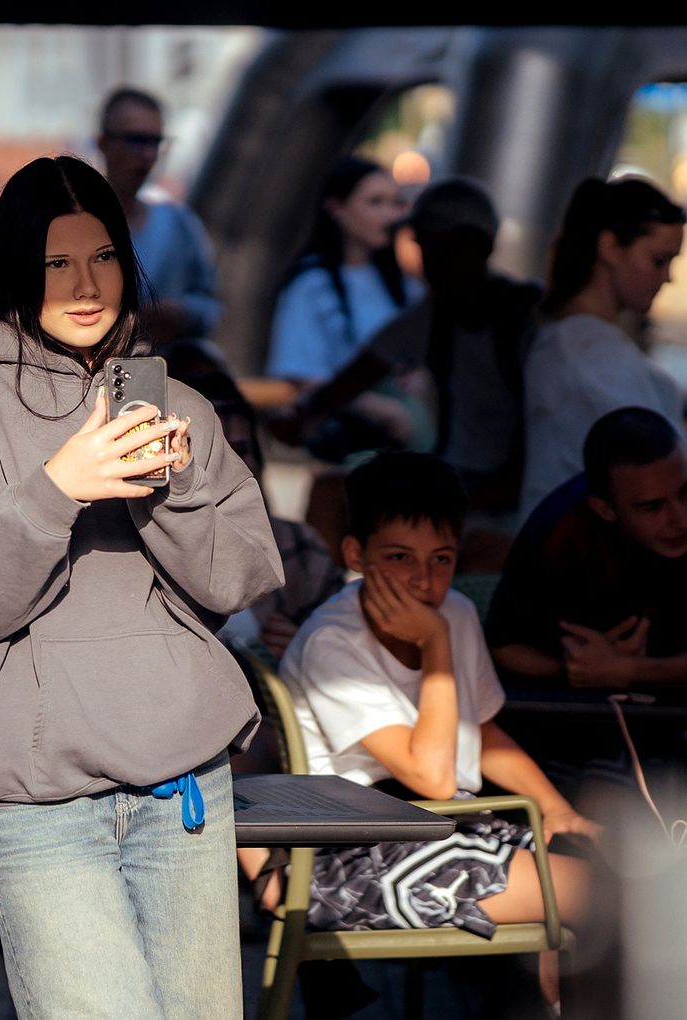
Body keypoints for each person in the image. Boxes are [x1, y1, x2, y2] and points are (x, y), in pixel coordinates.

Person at [0, 154, 284, 1019]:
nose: (86, 285)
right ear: (14, 270)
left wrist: (172, 493)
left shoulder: (180, 405)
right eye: (57, 262)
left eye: (104, 256)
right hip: (36, 800)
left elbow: (238, 579)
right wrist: (57, 488)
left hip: (179, 778)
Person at [241, 451, 592, 1009]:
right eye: (399, 557)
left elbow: (482, 733)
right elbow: (431, 778)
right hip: (352, 855)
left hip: (451, 826)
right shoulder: (336, 642)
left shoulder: (454, 613)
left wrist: (556, 809)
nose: (424, 581)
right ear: (355, 554)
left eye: (441, 559)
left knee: (609, 864)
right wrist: (435, 645)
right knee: (604, 897)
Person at [279, 177, 540, 520]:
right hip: (456, 477)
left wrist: (469, 505)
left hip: (518, 497)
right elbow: (353, 378)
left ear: (482, 245)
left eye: (443, 248)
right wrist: (303, 417)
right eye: (426, 247)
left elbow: (541, 437)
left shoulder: (530, 320)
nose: (431, 263)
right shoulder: (432, 316)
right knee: (331, 492)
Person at [519, 176, 686, 518]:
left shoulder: (573, 343)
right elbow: (658, 464)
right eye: (658, 260)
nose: (668, 277)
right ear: (609, 248)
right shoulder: (588, 354)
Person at [488, 406, 687, 689]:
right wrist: (577, 667)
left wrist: (629, 670)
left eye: (685, 493)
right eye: (652, 507)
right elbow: (505, 645)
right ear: (604, 509)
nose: (680, 519)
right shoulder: (561, 533)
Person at [265, 156, 429, 461]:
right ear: (336, 208)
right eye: (375, 202)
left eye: (395, 203)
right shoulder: (312, 284)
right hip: (348, 439)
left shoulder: (403, 284)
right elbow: (301, 373)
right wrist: (379, 408)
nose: (389, 215)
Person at [198, 372, 344, 660]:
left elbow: (341, 649)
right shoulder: (140, 550)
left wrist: (301, 650)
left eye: (240, 450)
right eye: (209, 452)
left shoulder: (302, 550)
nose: (227, 465)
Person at [97, 86, 222, 349]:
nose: (147, 155)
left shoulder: (179, 225)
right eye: (135, 140)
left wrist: (183, 313)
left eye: (155, 142)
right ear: (104, 143)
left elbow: (212, 306)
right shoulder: (71, 229)